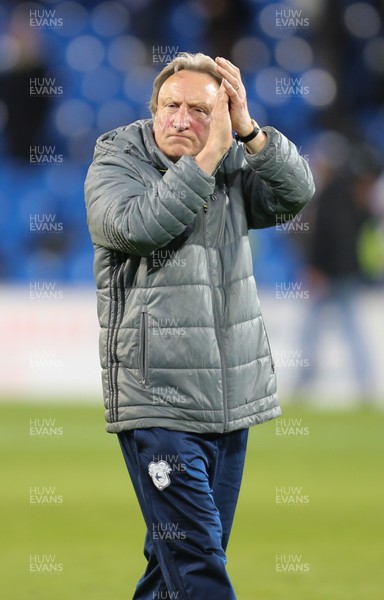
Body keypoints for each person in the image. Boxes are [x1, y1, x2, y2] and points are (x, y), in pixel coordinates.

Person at [84, 52, 315, 600]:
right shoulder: (116, 162)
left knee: (173, 570)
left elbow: (294, 195)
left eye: (198, 109)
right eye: (171, 105)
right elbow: (140, 227)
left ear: (223, 115)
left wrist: (252, 135)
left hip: (229, 401)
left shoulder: (233, 160)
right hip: (158, 401)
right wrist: (208, 159)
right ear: (154, 108)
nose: (182, 119)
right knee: (198, 561)